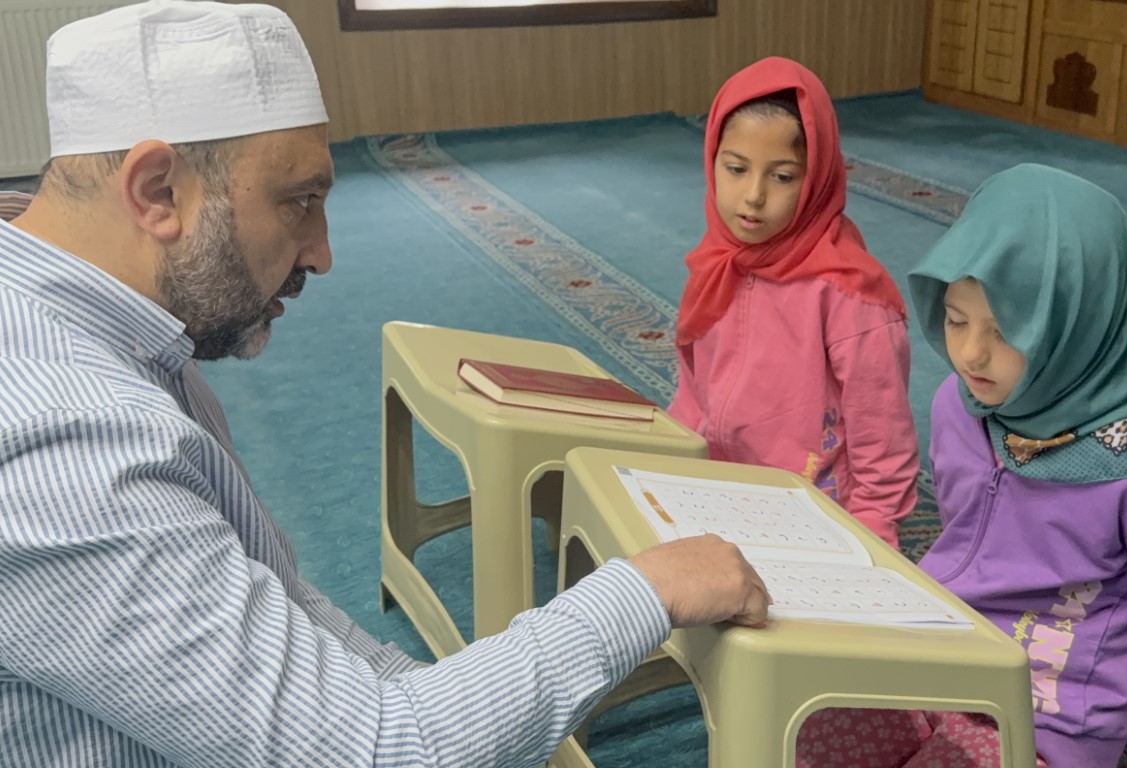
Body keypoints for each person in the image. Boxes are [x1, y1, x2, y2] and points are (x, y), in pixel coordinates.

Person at [0, 2, 768, 766]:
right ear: (159, 192)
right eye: (299, 201)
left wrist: (433, 699)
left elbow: (280, 601)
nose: (323, 253)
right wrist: (643, 592)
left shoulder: (106, 315)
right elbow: (377, 753)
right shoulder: (64, 443)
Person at [796, 164, 1127, 768]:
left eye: (1006, 332)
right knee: (800, 727)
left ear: (1078, 327)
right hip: (938, 652)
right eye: (955, 320)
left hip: (1047, 715)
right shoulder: (961, 404)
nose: (972, 354)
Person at [667, 57, 920, 548]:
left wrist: (874, 534)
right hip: (718, 483)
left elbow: (882, 436)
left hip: (812, 503)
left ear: (818, 177)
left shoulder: (850, 292)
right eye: (736, 169)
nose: (753, 196)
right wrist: (670, 459)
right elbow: (692, 388)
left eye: (782, 177)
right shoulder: (716, 260)